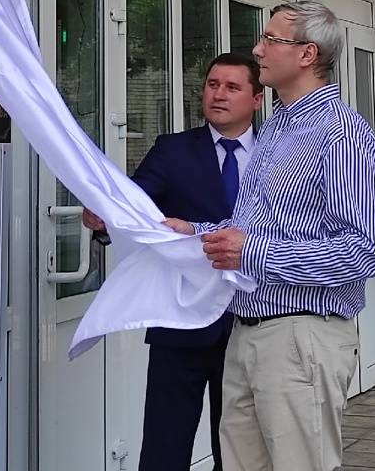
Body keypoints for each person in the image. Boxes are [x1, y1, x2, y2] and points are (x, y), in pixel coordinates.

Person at [165, 2, 375, 471]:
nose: (258, 49)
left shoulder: (340, 132)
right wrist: (196, 232)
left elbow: (364, 251)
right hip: (246, 332)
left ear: (307, 54)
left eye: (270, 40)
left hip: (301, 336)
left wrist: (253, 252)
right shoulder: (277, 127)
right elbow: (255, 227)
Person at [83, 52, 263, 471]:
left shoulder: (277, 154)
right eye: (212, 85)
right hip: (180, 321)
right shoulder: (173, 150)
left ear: (256, 98)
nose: (219, 95)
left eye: (232, 87)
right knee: (165, 447)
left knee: (239, 451)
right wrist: (105, 221)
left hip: (252, 322)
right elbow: (135, 208)